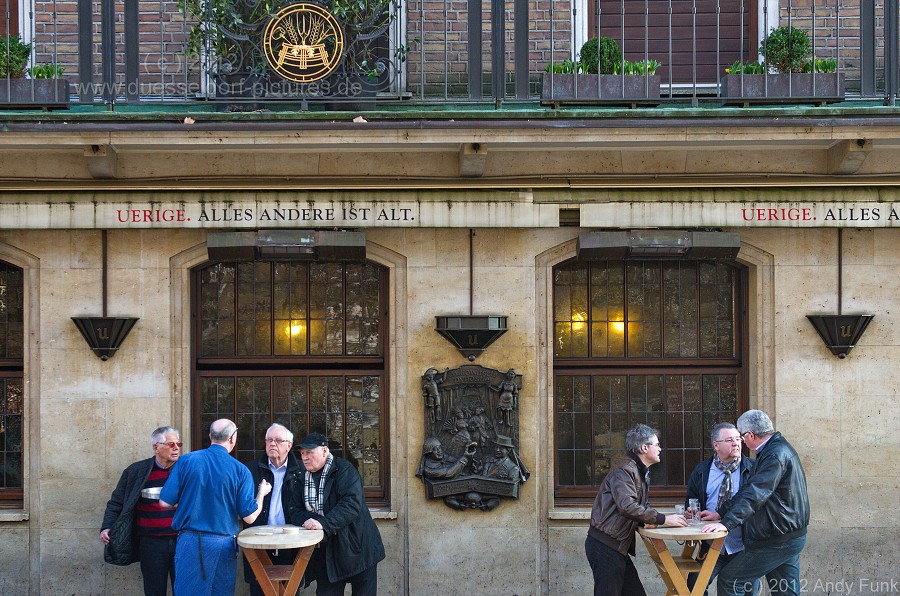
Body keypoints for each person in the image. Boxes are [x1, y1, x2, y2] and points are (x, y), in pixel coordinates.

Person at [702, 410, 810, 596]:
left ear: (750, 435)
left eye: (742, 437)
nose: (741, 442)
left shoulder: (774, 455)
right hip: (787, 535)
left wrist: (725, 524)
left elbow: (755, 494)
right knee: (784, 592)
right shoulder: (774, 450)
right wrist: (721, 513)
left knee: (730, 580)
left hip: (777, 539)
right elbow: (749, 490)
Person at [159, 419, 272, 595]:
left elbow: (164, 502)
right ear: (233, 438)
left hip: (190, 542)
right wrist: (261, 494)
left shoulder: (186, 461)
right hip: (224, 545)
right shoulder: (240, 470)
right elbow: (249, 516)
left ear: (210, 436)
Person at [585, 423, 687, 596]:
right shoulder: (625, 471)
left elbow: (634, 506)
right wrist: (663, 519)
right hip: (606, 546)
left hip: (616, 548)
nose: (660, 449)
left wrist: (645, 520)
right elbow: (627, 506)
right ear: (644, 447)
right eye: (657, 445)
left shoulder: (639, 471)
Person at [289, 432, 385, 596]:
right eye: (302, 453)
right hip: (327, 554)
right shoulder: (301, 477)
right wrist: (315, 521)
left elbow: (351, 505)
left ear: (325, 451)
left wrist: (323, 524)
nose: (305, 457)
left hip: (359, 547)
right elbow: (295, 511)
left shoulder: (345, 470)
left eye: (310, 452)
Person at [99, 426, 182, 596]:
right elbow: (117, 503)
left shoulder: (186, 470)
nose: (176, 448)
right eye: (170, 444)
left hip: (182, 542)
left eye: (178, 444)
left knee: (183, 590)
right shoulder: (136, 472)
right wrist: (107, 527)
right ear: (156, 447)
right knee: (153, 591)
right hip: (150, 544)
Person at [685, 422, 757, 595]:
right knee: (694, 587)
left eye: (738, 439)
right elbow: (691, 502)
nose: (736, 443)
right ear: (716, 445)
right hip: (710, 544)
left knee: (747, 592)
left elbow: (755, 502)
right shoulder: (702, 470)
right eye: (730, 440)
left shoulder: (753, 469)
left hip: (744, 545)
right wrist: (690, 511)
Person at [243, 423, 305, 596]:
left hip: (291, 541)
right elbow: (244, 507)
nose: (272, 444)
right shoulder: (251, 469)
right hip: (259, 540)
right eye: (269, 440)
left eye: (278, 440)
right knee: (258, 588)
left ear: (289, 445)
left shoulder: (301, 471)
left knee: (291, 589)